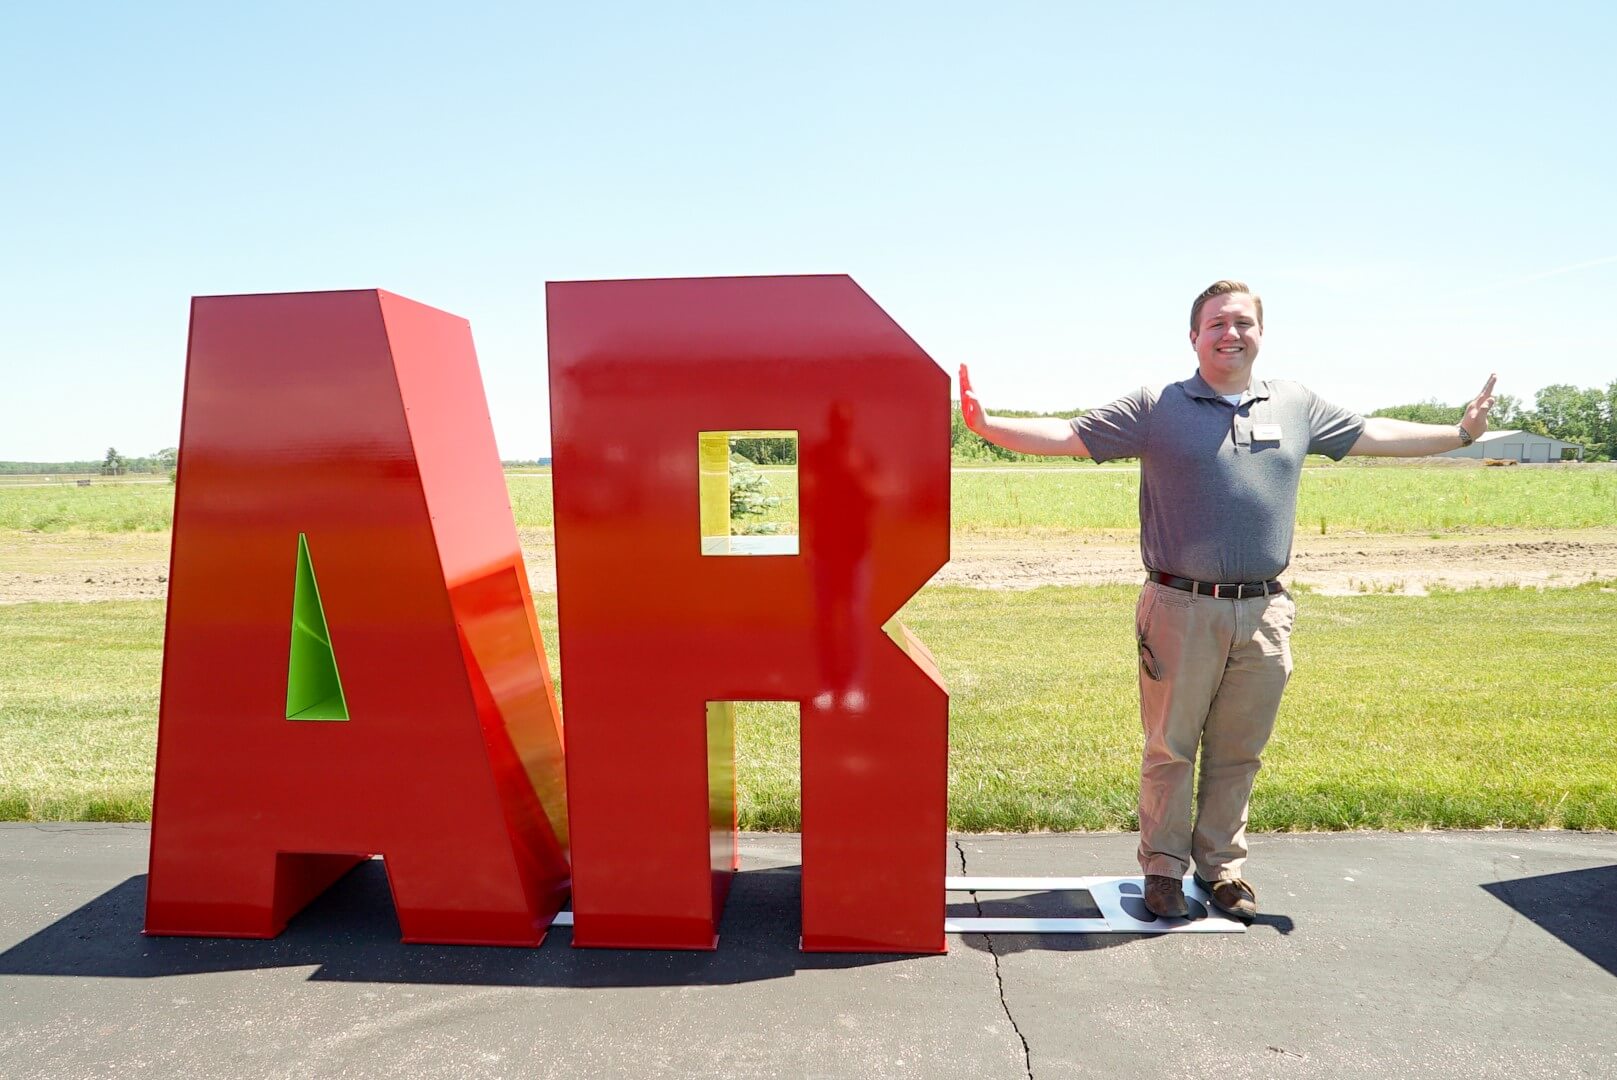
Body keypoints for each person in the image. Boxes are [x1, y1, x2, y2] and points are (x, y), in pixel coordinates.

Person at [959, 280, 1497, 920]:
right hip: (1179, 606)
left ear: (1260, 334)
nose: (1230, 333)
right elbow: (1070, 434)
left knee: (1240, 750)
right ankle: (1162, 869)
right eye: (1216, 323)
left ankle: (1222, 871)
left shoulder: (1296, 404)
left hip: (1266, 611)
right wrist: (988, 425)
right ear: (1194, 336)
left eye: (1242, 322)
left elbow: (1372, 435)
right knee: (1171, 747)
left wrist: (1459, 433)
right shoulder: (1158, 405)